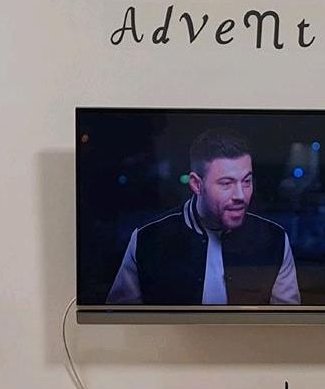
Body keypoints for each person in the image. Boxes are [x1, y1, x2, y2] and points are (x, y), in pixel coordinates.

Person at [106, 128, 300, 305]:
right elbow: (121, 321)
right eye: (226, 183)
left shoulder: (274, 239)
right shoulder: (147, 239)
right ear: (196, 185)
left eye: (247, 181)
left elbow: (288, 323)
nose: (241, 195)